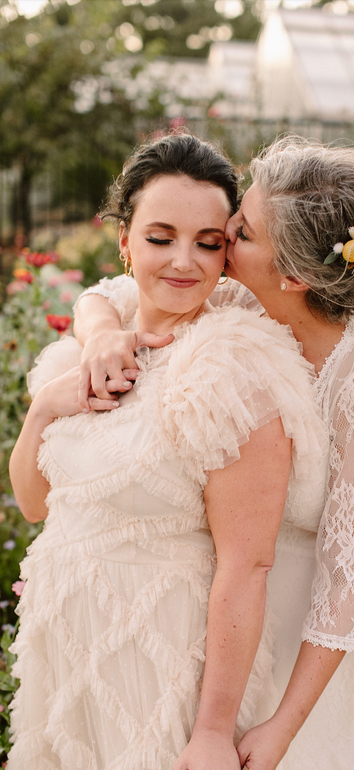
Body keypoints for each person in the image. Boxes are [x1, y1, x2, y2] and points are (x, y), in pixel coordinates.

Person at [74, 135, 354, 770]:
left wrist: (284, 727)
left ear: (291, 273)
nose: (222, 236)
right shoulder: (238, 298)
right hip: (214, 619)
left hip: (301, 647)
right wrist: (100, 336)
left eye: (243, 231)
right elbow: (106, 292)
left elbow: (350, 582)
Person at [7, 133, 329, 770]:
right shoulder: (88, 350)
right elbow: (35, 507)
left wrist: (211, 732)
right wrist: (44, 407)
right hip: (66, 650)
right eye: (160, 237)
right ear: (124, 241)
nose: (184, 261)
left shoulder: (232, 370)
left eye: (208, 243)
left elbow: (248, 565)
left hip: (161, 660)